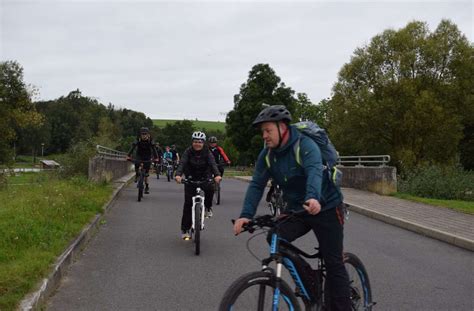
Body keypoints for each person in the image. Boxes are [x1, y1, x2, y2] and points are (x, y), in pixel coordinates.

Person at [232, 105, 351, 310]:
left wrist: (313, 198)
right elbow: (257, 184)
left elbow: (314, 170)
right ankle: (310, 281)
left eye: (268, 130)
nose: (264, 136)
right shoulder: (267, 155)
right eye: (262, 132)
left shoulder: (304, 145)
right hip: (297, 209)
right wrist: (246, 215)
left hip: (327, 206)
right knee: (275, 237)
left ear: (282, 127)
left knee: (333, 264)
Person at [175, 132, 222, 240]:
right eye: (195, 142)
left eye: (200, 142)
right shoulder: (188, 151)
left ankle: (208, 207)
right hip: (190, 178)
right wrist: (178, 175)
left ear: (203, 143)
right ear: (192, 142)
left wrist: (217, 175)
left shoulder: (207, 152)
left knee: (210, 189)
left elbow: (213, 164)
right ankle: (185, 229)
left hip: (204, 176)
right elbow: (182, 163)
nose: (197, 144)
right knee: (187, 204)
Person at [127, 127, 159, 194]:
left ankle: (147, 187)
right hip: (139, 155)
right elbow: (132, 148)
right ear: (140, 135)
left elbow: (154, 150)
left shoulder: (151, 141)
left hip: (147, 156)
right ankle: (137, 174)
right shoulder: (138, 140)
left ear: (148, 134)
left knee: (146, 173)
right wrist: (128, 155)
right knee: (137, 163)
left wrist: (156, 158)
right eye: (142, 134)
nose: (144, 135)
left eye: (145, 134)